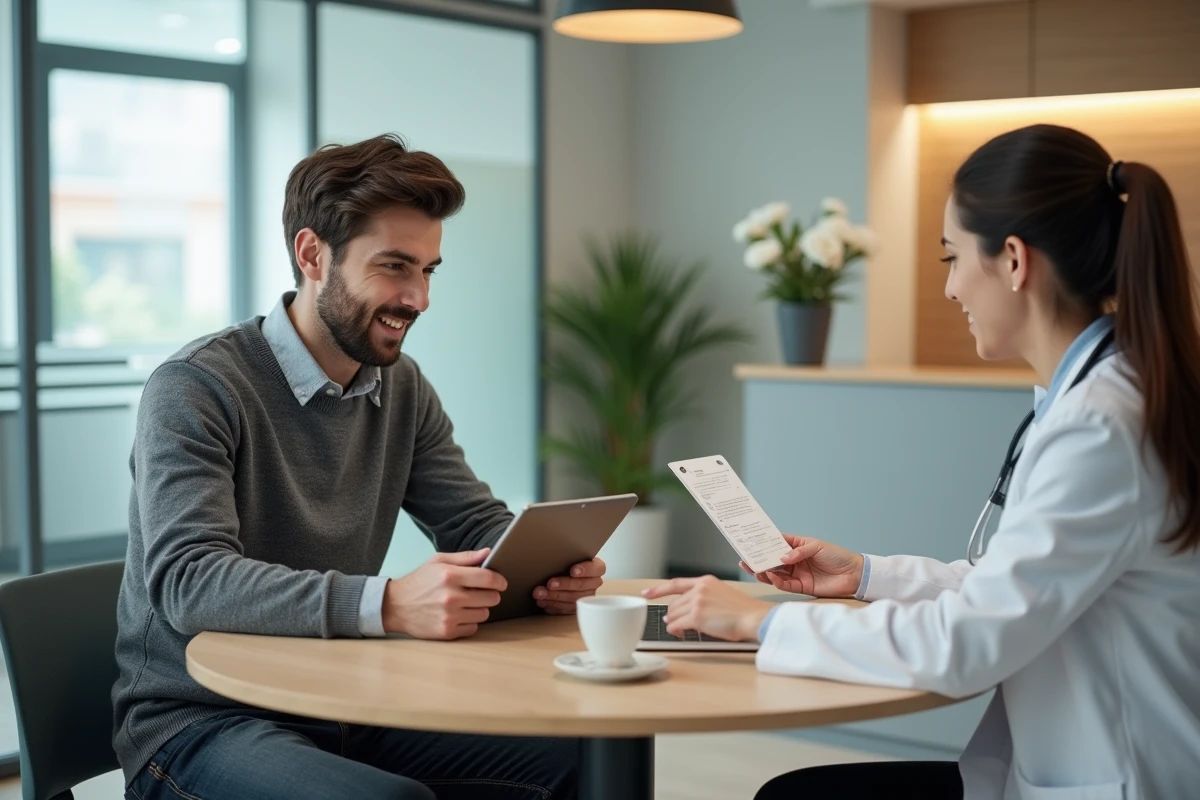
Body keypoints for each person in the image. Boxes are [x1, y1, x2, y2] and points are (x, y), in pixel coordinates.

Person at [646, 124, 1200, 799]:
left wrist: (758, 621)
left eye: (952, 258)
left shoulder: (1101, 427)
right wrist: (866, 574)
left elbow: (964, 646)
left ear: (1016, 261)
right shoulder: (1108, 394)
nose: (951, 289)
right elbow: (1013, 589)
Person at [114, 134, 604, 800]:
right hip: (201, 718)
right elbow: (188, 582)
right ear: (313, 254)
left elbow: (471, 521)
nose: (419, 298)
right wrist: (391, 602)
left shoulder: (401, 388)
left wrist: (546, 565)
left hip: (343, 698)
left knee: (584, 754)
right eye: (396, 267)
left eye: (429, 270)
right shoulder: (198, 387)